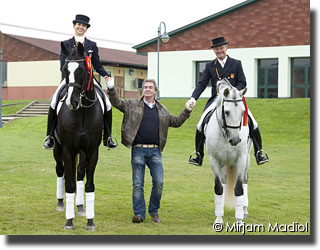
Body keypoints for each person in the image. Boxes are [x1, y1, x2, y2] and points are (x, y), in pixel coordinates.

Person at [107, 78, 194, 223]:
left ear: (155, 91)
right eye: (145, 87)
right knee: (137, 184)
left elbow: (176, 122)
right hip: (138, 151)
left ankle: (154, 211)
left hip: (155, 152)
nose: (147, 89)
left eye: (150, 87)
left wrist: (187, 110)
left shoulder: (162, 110)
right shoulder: (132, 104)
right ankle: (139, 214)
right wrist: (111, 88)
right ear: (142, 90)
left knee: (159, 183)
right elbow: (117, 102)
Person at [187, 37, 269, 166]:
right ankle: (198, 154)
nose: (219, 51)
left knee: (253, 122)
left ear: (226, 48)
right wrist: (193, 98)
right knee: (200, 123)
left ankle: (259, 152)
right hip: (216, 100)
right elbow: (202, 84)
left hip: (235, 100)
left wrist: (234, 92)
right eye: (216, 49)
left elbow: (243, 82)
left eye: (221, 48)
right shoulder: (210, 66)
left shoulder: (236, 63)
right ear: (214, 50)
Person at [43, 14, 117, 150]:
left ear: (86, 28)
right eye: (78, 24)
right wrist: (70, 74)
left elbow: (97, 64)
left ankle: (107, 137)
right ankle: (50, 136)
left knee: (107, 103)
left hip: (88, 80)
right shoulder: (66, 44)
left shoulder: (92, 45)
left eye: (83, 25)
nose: (80, 27)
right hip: (69, 79)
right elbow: (62, 65)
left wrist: (106, 75)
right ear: (74, 26)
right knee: (54, 101)